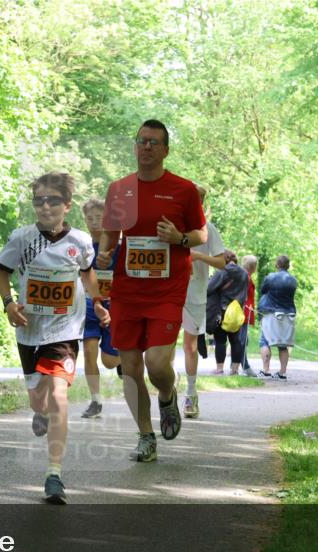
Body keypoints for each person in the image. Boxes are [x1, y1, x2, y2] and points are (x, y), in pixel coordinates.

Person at [96, 119, 208, 463]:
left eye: (154, 142)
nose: (146, 147)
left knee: (157, 364)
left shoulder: (183, 190)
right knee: (130, 370)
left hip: (167, 289)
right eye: (141, 141)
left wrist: (180, 239)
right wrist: (103, 252)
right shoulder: (119, 189)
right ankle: (146, 436)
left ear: (165, 150)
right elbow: (110, 233)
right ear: (135, 147)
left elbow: (201, 235)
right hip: (128, 290)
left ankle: (168, 393)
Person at [0, 172, 109, 504]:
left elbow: (87, 274)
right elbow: (2, 272)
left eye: (52, 200)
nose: (45, 207)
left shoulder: (81, 242)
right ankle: (39, 411)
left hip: (65, 330)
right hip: (29, 328)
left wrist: (99, 304)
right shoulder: (22, 238)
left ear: (66, 205)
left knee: (59, 393)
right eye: (39, 200)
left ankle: (54, 473)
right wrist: (8, 305)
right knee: (38, 399)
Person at [180, 185, 226, 418]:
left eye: (196, 201)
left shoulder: (208, 230)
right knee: (162, 348)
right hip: (168, 293)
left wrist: (197, 256)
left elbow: (221, 263)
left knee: (189, 346)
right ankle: (167, 391)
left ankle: (190, 393)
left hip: (195, 294)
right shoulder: (173, 227)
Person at [80, 197, 120, 419]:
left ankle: (125, 359)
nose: (94, 222)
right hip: (88, 305)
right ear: (84, 219)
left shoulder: (117, 245)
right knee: (88, 352)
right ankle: (95, 401)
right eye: (90, 217)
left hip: (114, 306)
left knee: (109, 361)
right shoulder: (81, 245)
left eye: (99, 217)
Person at [201, 250, 249, 376]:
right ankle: (234, 370)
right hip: (237, 311)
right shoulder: (244, 273)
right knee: (235, 340)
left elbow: (209, 289)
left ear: (225, 259)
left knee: (221, 340)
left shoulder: (222, 271)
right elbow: (245, 293)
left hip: (222, 310)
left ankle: (220, 368)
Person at [258, 255, 297, 380]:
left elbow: (263, 290)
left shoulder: (270, 277)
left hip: (271, 312)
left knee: (265, 341)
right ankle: (282, 372)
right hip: (288, 313)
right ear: (288, 266)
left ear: (277, 265)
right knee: (283, 344)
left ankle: (266, 370)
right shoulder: (293, 280)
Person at [239, 255, 259, 377]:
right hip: (243, 312)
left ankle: (237, 365)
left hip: (245, 312)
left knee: (242, 340)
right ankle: (245, 366)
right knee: (242, 340)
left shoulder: (246, 276)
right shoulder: (245, 277)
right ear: (252, 266)